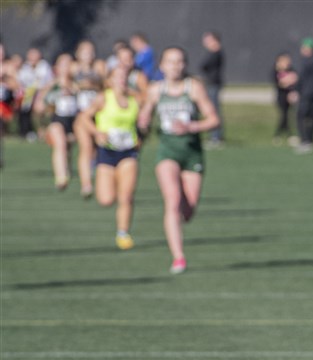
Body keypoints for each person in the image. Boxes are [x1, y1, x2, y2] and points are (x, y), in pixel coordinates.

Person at [138, 46, 219, 274]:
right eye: (170, 62)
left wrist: (192, 126)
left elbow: (213, 119)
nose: (175, 66)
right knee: (172, 201)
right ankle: (178, 257)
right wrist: (143, 119)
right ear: (162, 66)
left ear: (185, 64)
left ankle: (180, 232)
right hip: (167, 153)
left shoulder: (193, 88)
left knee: (188, 211)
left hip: (192, 153)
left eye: (179, 61)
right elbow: (144, 114)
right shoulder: (155, 90)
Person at [76, 65, 141, 250]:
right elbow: (83, 118)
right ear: (110, 80)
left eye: (124, 76)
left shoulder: (134, 99)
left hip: (128, 151)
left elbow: (142, 121)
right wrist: (97, 132)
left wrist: (140, 136)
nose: (121, 79)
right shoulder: (104, 98)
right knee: (106, 199)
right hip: (107, 152)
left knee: (126, 196)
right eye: (117, 76)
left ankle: (123, 233)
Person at [33, 53, 78, 191]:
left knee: (68, 146)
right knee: (60, 144)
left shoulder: (78, 85)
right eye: (63, 64)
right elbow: (38, 107)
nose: (66, 68)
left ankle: (66, 169)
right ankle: (61, 177)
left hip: (75, 122)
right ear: (57, 68)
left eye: (69, 64)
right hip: (57, 120)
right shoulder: (51, 86)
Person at [71, 39, 106, 198]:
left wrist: (90, 84)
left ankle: (98, 178)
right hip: (81, 114)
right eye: (84, 51)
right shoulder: (73, 67)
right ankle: (86, 184)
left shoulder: (99, 66)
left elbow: (106, 84)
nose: (88, 54)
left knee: (98, 148)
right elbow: (66, 83)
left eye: (91, 51)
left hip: (99, 114)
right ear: (78, 53)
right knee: (85, 147)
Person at [17, 46, 53, 141]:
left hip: (42, 93)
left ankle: (44, 130)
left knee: (41, 108)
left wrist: (40, 95)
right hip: (28, 94)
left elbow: (48, 83)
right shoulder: (25, 67)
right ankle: (26, 131)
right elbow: (21, 83)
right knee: (23, 104)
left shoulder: (44, 66)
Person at [199, 31, 225, 147]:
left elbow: (205, 65)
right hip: (209, 83)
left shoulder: (216, 53)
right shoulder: (212, 53)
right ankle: (214, 136)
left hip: (213, 83)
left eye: (208, 40)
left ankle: (216, 137)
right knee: (211, 108)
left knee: (213, 109)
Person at [272, 52, 298, 143]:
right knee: (284, 116)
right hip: (281, 97)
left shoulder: (291, 70)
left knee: (287, 115)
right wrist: (288, 80)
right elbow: (280, 83)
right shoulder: (276, 71)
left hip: (290, 96)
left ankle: (282, 135)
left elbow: (295, 79)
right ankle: (281, 134)